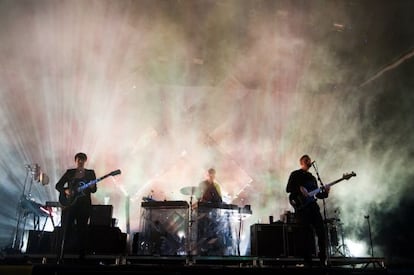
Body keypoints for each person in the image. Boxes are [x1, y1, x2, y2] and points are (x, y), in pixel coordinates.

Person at [286, 154, 330, 267]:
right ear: (301, 163)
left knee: (321, 232)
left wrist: (326, 192)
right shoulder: (295, 174)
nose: (309, 161)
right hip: (302, 208)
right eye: (306, 160)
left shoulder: (313, 177)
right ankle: (307, 261)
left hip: (313, 207)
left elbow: (318, 195)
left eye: (309, 160)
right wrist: (299, 188)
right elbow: (288, 189)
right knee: (305, 234)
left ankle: (322, 259)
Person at [55, 152, 97, 262]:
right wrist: (66, 190)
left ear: (85, 161)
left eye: (83, 159)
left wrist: (92, 185)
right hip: (69, 205)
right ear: (76, 160)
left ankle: (81, 257)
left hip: (84, 206)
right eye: (79, 159)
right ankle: (61, 255)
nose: (81, 161)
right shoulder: (70, 173)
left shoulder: (90, 173)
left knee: (82, 230)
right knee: (66, 229)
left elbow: (94, 190)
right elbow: (58, 185)